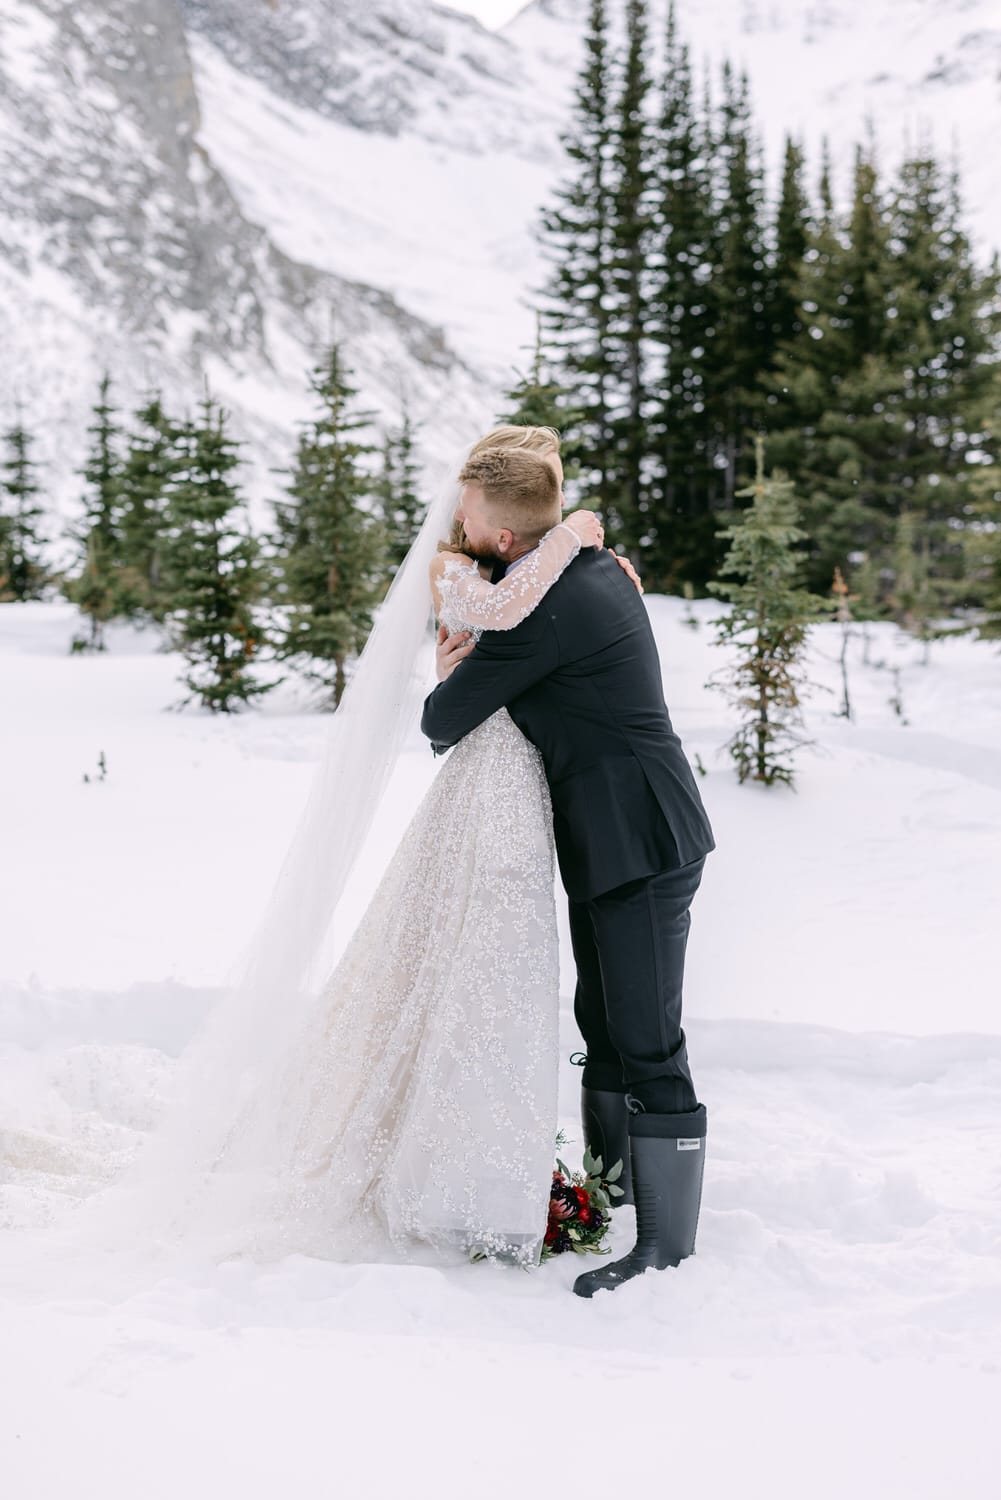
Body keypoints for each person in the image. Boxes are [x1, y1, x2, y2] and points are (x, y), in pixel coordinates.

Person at [423, 445, 716, 1298]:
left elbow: (444, 719)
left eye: (471, 516)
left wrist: (449, 670)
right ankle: (611, 1193)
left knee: (648, 1040)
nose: (461, 527)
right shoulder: (579, 566)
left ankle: (662, 1245)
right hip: (613, 838)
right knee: (606, 1022)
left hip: (643, 842)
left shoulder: (547, 611)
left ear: (507, 536)